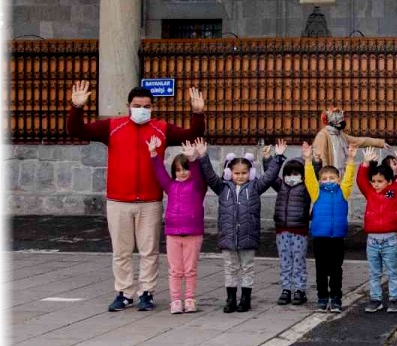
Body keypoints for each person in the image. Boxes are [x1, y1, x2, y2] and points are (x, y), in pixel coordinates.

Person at [66, 81, 206, 312]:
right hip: (118, 201)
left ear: (152, 108)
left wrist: (198, 113)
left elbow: (192, 135)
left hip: (150, 201)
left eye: (147, 106)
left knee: (149, 251)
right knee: (121, 251)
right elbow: (76, 131)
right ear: (128, 106)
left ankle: (146, 293)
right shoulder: (112, 126)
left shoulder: (161, 128)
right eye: (137, 105)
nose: (142, 109)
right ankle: (124, 293)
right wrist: (76, 107)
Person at [198, 139, 284, 314]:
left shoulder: (255, 187)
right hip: (228, 236)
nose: (240, 176)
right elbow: (209, 175)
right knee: (230, 267)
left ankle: (245, 299)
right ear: (229, 173)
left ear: (250, 173)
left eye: (244, 173)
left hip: (248, 235)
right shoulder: (222, 188)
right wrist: (203, 156)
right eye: (236, 173)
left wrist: (278, 157)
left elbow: (269, 176)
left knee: (247, 267)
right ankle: (230, 298)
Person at [147, 136, 207, 314]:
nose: (182, 173)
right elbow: (159, 172)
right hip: (173, 233)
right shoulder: (170, 186)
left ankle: (189, 299)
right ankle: (175, 300)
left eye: (185, 169)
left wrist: (193, 160)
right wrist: (153, 154)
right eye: (178, 170)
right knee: (175, 270)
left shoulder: (198, 186)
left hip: (193, 233)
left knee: (190, 269)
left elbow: (197, 174)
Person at [307, 142, 358, 313]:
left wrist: (351, 159)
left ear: (338, 179)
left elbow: (349, 178)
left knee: (336, 269)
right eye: (325, 178)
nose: (328, 181)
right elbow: (309, 179)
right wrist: (308, 161)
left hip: (337, 237)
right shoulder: (316, 192)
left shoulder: (342, 192)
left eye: (332, 178)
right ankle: (322, 298)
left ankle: (336, 298)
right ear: (320, 181)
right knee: (321, 269)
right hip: (320, 237)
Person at [357, 148, 397, 314]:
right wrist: (365, 163)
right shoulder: (370, 192)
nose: (376, 184)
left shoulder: (395, 192)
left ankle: (394, 299)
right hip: (372, 240)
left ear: (388, 181)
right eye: (374, 181)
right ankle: (375, 298)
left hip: (390, 240)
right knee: (374, 272)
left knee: (393, 271)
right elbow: (361, 181)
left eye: (380, 181)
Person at [271, 143, 313, 307]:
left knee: (299, 261)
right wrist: (274, 158)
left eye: (296, 174)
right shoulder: (281, 185)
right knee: (285, 261)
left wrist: (310, 159)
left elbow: (313, 176)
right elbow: (270, 175)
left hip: (299, 230)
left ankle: (300, 290)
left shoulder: (306, 187)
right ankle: (286, 289)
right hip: (282, 230)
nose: (292, 176)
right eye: (288, 174)